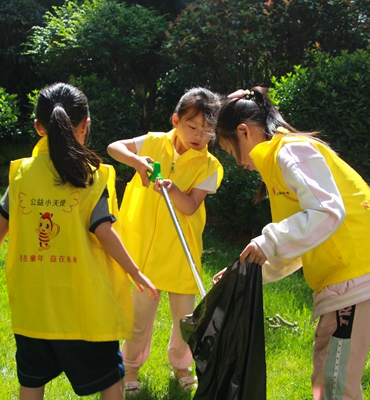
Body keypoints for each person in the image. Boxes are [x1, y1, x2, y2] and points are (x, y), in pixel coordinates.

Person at [0, 82, 158, 400]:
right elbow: (104, 231)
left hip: (33, 308)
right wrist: (135, 272)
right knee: (110, 381)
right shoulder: (94, 175)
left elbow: (0, 228)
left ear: (39, 126)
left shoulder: (23, 174)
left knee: (31, 383)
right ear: (86, 125)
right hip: (84, 309)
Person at [213, 87, 370, 400]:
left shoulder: (291, 151)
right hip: (344, 276)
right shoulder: (279, 163)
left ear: (244, 132)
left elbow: (327, 211)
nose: (238, 162)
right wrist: (245, 271)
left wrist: (268, 240)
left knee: (336, 381)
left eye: (229, 150)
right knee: (325, 376)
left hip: (356, 273)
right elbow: (303, 238)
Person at [107, 87, 224, 394]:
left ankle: (182, 364)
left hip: (181, 253)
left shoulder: (210, 166)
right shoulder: (155, 142)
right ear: (175, 120)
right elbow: (113, 147)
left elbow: (190, 206)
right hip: (144, 250)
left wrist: (173, 190)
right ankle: (130, 367)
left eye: (208, 130)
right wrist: (136, 161)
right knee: (140, 316)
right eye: (192, 126)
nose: (199, 135)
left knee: (185, 317)